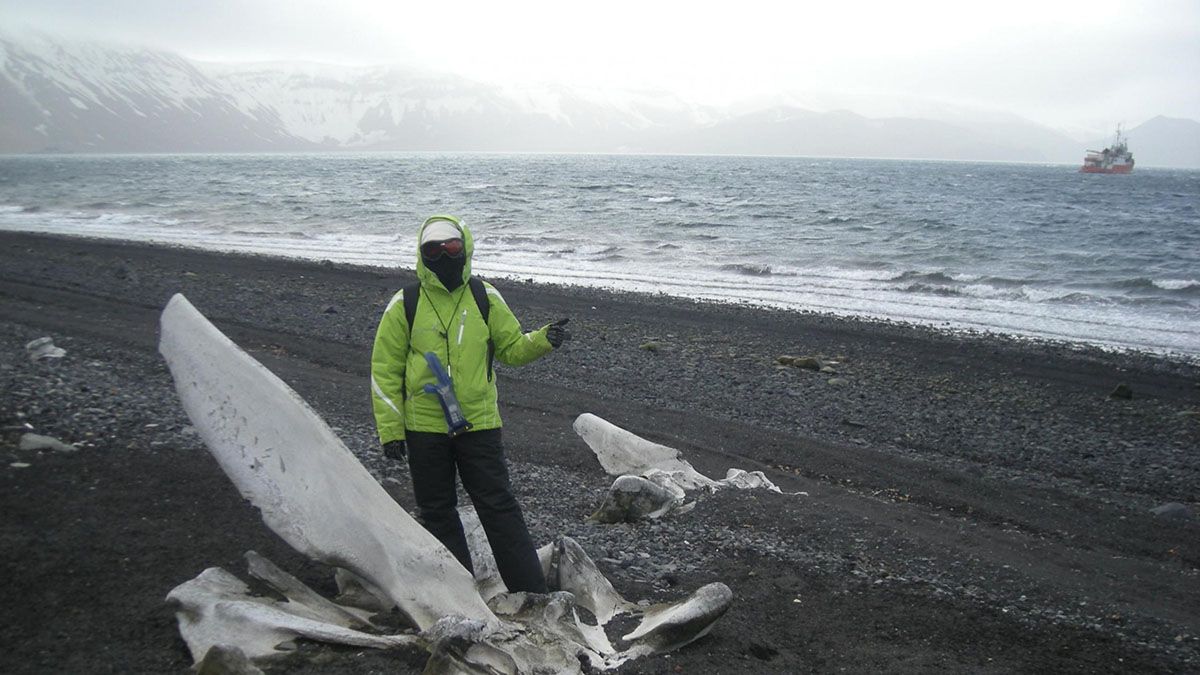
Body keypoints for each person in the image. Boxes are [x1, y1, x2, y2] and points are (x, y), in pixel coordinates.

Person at [371, 214, 570, 593]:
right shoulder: (405, 304)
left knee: (499, 509)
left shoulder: (485, 297)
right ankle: (459, 595)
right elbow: (385, 370)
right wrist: (391, 431)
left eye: (452, 247)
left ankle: (532, 595)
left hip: (478, 425)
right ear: (421, 254)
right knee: (437, 513)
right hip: (424, 429)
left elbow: (511, 349)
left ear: (465, 247)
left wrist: (544, 339)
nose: (444, 255)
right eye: (434, 249)